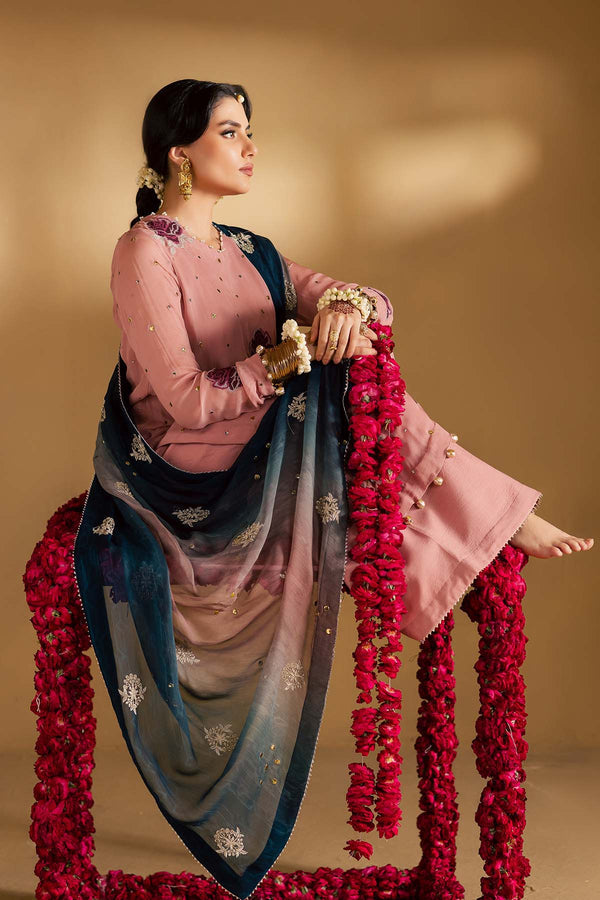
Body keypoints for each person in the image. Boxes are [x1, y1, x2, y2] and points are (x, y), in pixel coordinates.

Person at [73, 79, 593, 900]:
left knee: (359, 358)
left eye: (250, 129)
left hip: (267, 439)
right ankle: (490, 516)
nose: (250, 146)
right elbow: (186, 401)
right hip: (191, 470)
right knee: (339, 379)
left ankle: (476, 526)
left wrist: (346, 309)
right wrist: (295, 357)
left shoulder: (252, 249)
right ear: (179, 152)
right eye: (230, 131)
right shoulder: (144, 252)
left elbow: (375, 303)